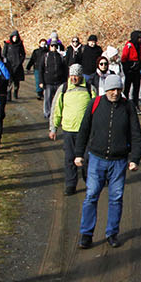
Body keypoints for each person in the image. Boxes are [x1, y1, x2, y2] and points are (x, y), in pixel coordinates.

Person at [74, 71, 141, 248]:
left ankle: (112, 233)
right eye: (112, 89)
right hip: (96, 158)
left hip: (119, 161)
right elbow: (84, 130)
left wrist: (134, 158)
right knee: (91, 196)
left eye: (118, 89)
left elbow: (136, 134)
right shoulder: (95, 104)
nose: (115, 93)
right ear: (106, 90)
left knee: (116, 198)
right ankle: (86, 234)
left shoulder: (128, 107)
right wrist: (78, 154)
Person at [49, 64, 94, 195]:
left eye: (77, 76)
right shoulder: (63, 88)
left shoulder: (90, 89)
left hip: (85, 131)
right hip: (68, 130)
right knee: (69, 159)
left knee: (87, 159)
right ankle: (70, 185)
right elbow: (56, 109)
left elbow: (96, 109)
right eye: (72, 75)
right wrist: (53, 128)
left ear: (81, 76)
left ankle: (89, 183)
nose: (74, 78)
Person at [40, 38, 68, 121]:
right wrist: (41, 81)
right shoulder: (45, 56)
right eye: (52, 46)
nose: (54, 47)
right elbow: (41, 69)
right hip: (48, 82)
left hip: (59, 81)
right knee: (47, 99)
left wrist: (65, 80)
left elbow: (65, 69)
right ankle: (47, 113)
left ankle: (58, 113)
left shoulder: (61, 57)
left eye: (55, 46)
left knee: (59, 99)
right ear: (49, 47)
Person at [120, 30, 141, 107]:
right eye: (139, 38)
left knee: (136, 88)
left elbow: (140, 55)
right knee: (127, 88)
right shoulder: (129, 45)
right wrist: (127, 68)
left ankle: (135, 104)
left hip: (137, 69)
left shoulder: (140, 45)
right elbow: (124, 58)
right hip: (129, 69)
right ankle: (124, 104)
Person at [3, 31, 26, 100]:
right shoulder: (7, 44)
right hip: (9, 65)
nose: (15, 39)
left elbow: (23, 54)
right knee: (9, 81)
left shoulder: (19, 44)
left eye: (16, 37)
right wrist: (6, 62)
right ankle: (8, 95)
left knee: (17, 81)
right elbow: (4, 54)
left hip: (18, 65)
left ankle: (16, 93)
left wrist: (20, 61)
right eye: (14, 37)